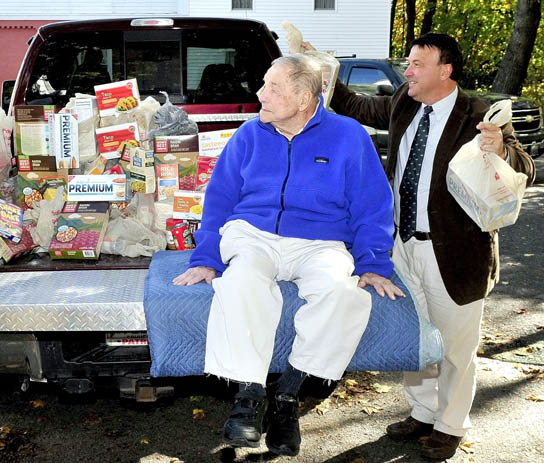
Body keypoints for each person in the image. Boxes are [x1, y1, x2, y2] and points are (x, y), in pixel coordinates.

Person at [173, 54, 403, 457]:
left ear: (303, 97)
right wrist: (205, 257)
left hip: (322, 242)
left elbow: (373, 206)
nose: (260, 93)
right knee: (241, 282)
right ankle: (248, 398)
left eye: (273, 87)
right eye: (263, 84)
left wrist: (373, 263)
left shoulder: (349, 136)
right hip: (254, 234)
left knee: (344, 294)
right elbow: (220, 199)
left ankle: (288, 397)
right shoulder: (248, 135)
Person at [326, 33, 535, 460]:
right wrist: (324, 70)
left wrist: (500, 151)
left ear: (446, 69)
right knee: (416, 338)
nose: (408, 72)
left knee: (456, 347)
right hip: (402, 245)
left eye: (417, 64)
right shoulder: (405, 100)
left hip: (456, 252)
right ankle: (422, 412)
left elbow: (523, 166)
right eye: (408, 63)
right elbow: (357, 107)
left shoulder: (479, 113)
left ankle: (451, 425)